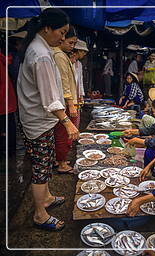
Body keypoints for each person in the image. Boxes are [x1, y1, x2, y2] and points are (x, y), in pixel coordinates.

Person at [17, 8, 79, 231]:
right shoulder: (41, 54)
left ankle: (47, 198)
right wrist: (67, 122)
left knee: (45, 163)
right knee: (41, 169)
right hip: (37, 121)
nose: (62, 38)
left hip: (40, 120)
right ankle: (40, 214)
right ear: (47, 28)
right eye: (61, 32)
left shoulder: (40, 48)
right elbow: (50, 98)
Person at [53, 25, 78, 173]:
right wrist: (71, 103)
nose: (72, 46)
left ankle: (60, 159)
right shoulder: (59, 56)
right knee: (64, 135)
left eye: (74, 43)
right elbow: (64, 82)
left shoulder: (61, 54)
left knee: (62, 134)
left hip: (65, 102)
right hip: (65, 103)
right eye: (70, 42)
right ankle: (62, 164)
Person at [72, 39, 89, 128]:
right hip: (70, 96)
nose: (84, 54)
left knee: (76, 118)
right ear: (78, 50)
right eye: (83, 51)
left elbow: (80, 81)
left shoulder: (79, 64)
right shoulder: (70, 63)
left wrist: (81, 95)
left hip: (77, 95)